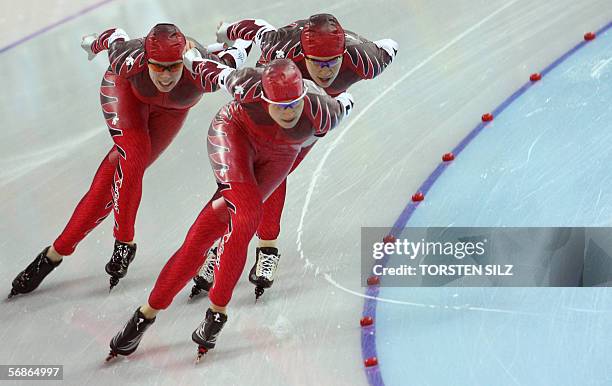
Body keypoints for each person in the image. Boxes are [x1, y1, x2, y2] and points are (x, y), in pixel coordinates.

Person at [106, 55, 354, 361]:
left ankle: (156, 315)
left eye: (294, 105)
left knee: (214, 227)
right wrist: (190, 56)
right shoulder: (246, 86)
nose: (288, 113)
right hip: (233, 135)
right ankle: (197, 312)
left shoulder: (325, 112)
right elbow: (211, 69)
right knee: (248, 213)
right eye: (280, 106)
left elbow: (348, 99)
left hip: (279, 154)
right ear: (264, 98)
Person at [8, 23, 250, 298]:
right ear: (146, 59)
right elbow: (114, 36)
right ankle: (125, 240)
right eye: (158, 67)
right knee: (133, 155)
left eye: (173, 67)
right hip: (125, 91)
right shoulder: (129, 60)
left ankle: (54, 253)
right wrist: (92, 42)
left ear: (184, 60)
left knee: (120, 173)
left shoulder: (202, 71)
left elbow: (238, 56)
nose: (166, 76)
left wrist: (234, 38)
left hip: (172, 110)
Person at [191, 13, 398, 300]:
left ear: (343, 54)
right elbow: (258, 30)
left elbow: (389, 45)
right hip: (268, 111)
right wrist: (228, 31)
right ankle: (229, 245)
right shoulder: (281, 48)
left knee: (273, 177)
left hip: (311, 118)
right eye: (316, 62)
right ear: (303, 55)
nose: (325, 71)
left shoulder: (365, 59)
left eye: (332, 63)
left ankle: (264, 247)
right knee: (241, 185)